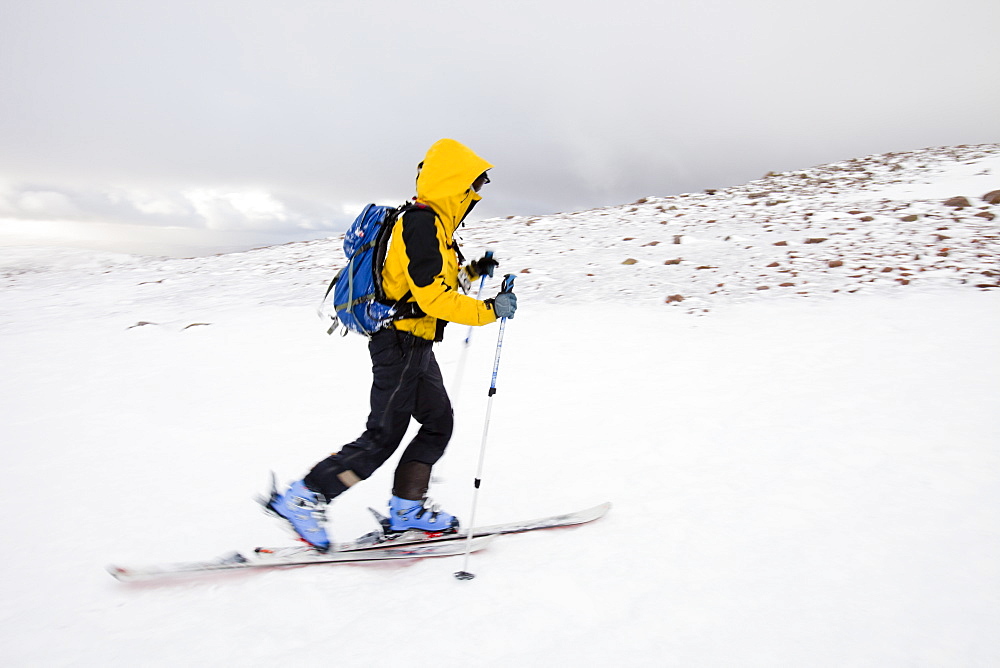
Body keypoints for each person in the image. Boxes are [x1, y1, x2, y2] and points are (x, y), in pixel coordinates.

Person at [265, 138, 517, 551]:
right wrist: (489, 309)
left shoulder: (433, 227)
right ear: (454, 183)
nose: (476, 195)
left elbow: (434, 283)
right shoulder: (420, 224)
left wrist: (473, 270)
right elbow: (431, 298)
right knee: (382, 436)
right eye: (473, 185)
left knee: (438, 424)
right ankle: (304, 498)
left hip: (415, 347)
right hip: (398, 347)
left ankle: (406, 510)